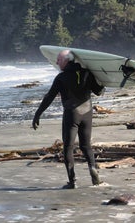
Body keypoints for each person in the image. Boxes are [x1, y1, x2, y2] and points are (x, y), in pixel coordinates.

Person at [32, 50, 105, 189]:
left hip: (72, 114)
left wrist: (38, 114)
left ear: (66, 61)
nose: (57, 62)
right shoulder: (87, 73)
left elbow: (49, 97)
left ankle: (72, 181)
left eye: (59, 60)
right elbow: (98, 91)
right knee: (86, 146)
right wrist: (101, 82)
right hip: (87, 112)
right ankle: (93, 171)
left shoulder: (61, 77)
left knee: (68, 147)